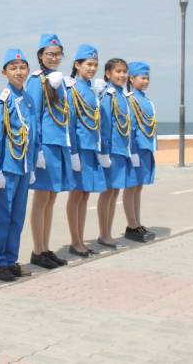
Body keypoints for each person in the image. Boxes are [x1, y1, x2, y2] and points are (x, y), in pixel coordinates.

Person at [0, 49, 38, 282]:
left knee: (17, 217)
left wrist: (33, 162)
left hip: (24, 166)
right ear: (4, 72)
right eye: (13, 68)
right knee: (1, 216)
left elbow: (34, 132)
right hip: (6, 167)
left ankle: (10, 259)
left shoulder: (28, 99)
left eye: (22, 67)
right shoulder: (2, 99)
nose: (19, 72)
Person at [25, 34, 74, 269]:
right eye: (49, 54)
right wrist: (37, 150)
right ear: (40, 56)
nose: (54, 58)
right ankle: (37, 250)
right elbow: (33, 116)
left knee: (51, 198)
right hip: (45, 146)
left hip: (59, 144)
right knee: (41, 198)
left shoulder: (60, 80)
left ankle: (45, 248)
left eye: (57, 54)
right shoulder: (36, 80)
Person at [65, 44, 107, 257]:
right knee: (76, 195)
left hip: (91, 148)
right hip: (79, 149)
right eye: (88, 64)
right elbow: (70, 123)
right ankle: (75, 241)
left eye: (95, 65)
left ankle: (80, 239)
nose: (92, 68)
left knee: (85, 195)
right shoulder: (72, 89)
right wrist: (73, 153)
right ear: (77, 65)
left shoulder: (91, 90)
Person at [97, 58, 134, 248]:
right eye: (118, 71)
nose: (122, 75)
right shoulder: (108, 95)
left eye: (124, 71)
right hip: (111, 152)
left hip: (121, 151)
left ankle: (108, 233)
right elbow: (104, 126)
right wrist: (104, 153)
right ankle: (104, 234)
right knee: (107, 193)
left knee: (114, 192)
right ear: (108, 74)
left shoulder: (122, 95)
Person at [122, 61, 157, 242]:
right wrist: (132, 151)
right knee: (131, 187)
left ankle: (137, 222)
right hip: (135, 149)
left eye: (147, 78)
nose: (146, 81)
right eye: (142, 78)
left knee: (138, 187)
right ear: (132, 78)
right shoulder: (129, 100)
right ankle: (131, 225)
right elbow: (129, 128)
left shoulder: (146, 100)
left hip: (145, 149)